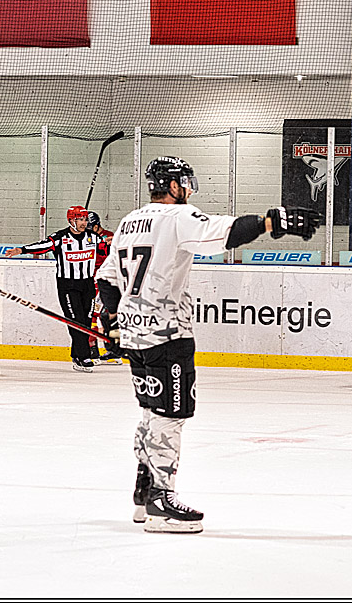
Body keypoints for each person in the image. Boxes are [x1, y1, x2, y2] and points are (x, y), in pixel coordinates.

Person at [96, 156, 319, 534]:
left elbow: (107, 279)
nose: (188, 190)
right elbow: (226, 233)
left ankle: (145, 489)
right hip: (168, 333)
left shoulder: (128, 221)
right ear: (172, 185)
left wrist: (115, 320)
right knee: (171, 413)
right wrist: (270, 221)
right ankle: (161, 501)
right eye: (184, 183)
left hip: (135, 333)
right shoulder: (177, 218)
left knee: (152, 408)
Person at [5, 206, 102, 372]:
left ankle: (77, 355)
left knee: (85, 321)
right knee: (75, 320)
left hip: (87, 284)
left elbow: (109, 249)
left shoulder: (93, 237)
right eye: (80, 219)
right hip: (68, 286)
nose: (83, 223)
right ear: (71, 220)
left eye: (85, 219)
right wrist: (21, 250)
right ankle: (84, 356)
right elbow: (42, 246)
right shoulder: (60, 238)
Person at [86, 211, 123, 364]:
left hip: (106, 281)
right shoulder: (87, 237)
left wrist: (115, 241)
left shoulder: (110, 236)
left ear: (96, 226)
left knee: (107, 316)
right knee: (94, 317)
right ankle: (93, 350)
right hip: (93, 281)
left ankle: (113, 349)